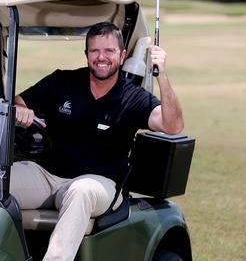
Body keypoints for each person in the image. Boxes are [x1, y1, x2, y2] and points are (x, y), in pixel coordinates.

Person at [10, 22, 184, 261]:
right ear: (86, 55)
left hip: (101, 184)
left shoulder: (132, 97)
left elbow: (172, 125)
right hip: (48, 176)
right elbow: (17, 102)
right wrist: (21, 110)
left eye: (109, 51)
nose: (101, 57)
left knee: (81, 191)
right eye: (95, 51)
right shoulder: (61, 81)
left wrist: (161, 75)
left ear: (122, 56)